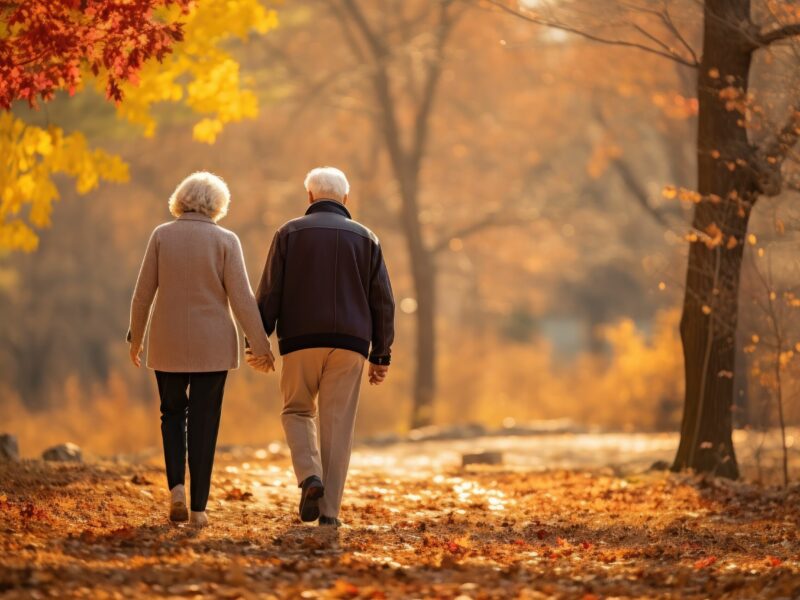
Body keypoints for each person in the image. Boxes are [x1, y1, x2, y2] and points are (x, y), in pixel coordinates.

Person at [248, 166, 395, 527]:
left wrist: (258, 341)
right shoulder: (368, 238)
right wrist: (381, 353)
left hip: (299, 341)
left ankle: (310, 476)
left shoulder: (288, 233)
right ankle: (329, 514)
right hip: (351, 344)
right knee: (337, 427)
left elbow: (269, 292)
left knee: (297, 411)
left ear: (309, 197)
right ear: (345, 199)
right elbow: (383, 301)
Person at [128, 171, 275, 528]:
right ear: (217, 204)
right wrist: (261, 346)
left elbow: (143, 292)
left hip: (167, 342)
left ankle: (177, 487)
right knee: (205, 424)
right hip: (213, 345)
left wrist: (136, 338)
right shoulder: (226, 240)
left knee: (172, 415)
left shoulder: (161, 236)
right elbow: (241, 299)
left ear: (181, 199)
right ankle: (198, 509)